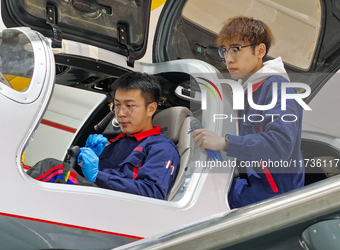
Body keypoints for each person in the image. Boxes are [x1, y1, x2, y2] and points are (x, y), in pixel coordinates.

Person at [193, 16, 304, 208]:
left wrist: (224, 142)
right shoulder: (246, 90)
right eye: (225, 50)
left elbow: (280, 145)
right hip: (252, 187)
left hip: (275, 197)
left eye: (236, 49)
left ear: (260, 50)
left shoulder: (278, 87)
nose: (228, 58)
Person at [77, 72, 180, 200]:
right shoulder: (115, 143)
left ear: (151, 109)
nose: (121, 113)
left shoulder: (161, 148)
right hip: (90, 201)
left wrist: (97, 175)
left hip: (117, 213)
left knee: (52, 168)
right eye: (118, 105)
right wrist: (85, 160)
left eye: (130, 106)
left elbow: (153, 192)